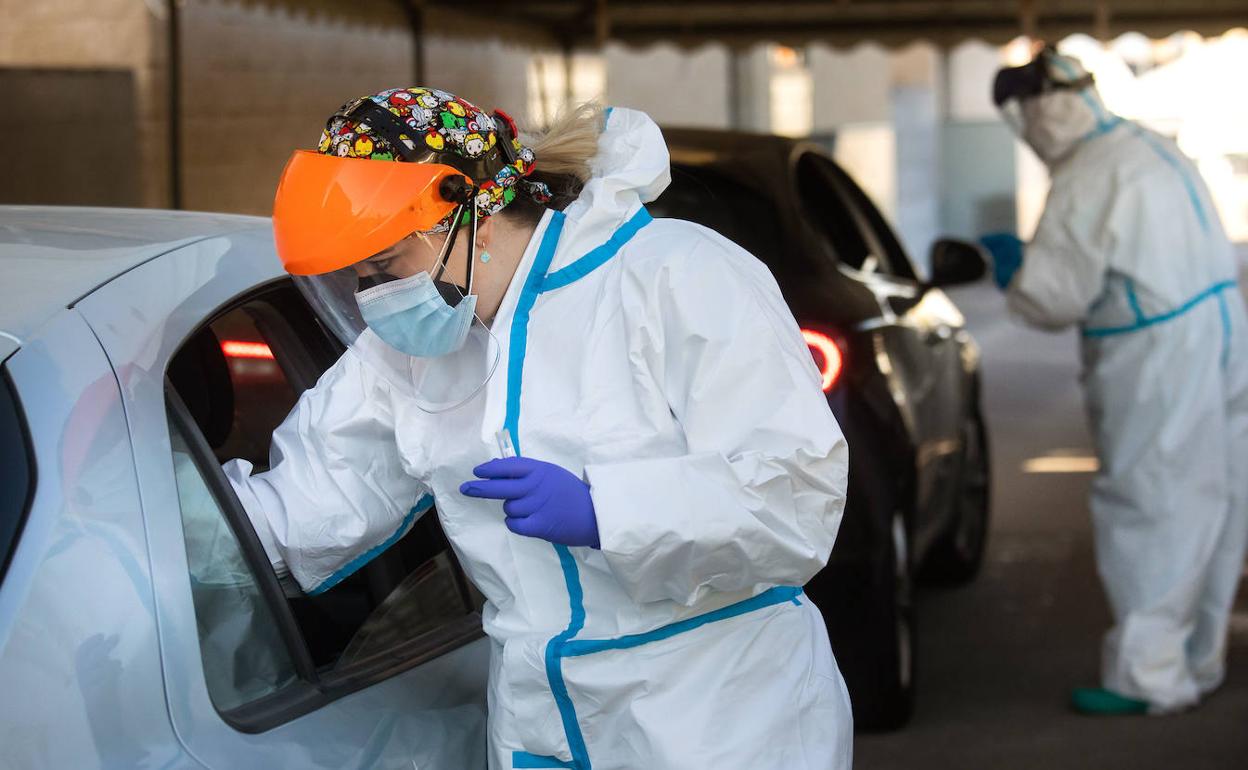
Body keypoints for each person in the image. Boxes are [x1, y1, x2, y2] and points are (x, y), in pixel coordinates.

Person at [226, 86, 853, 768]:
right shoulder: (410, 357)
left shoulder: (673, 273)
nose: (375, 298)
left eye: (384, 268)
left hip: (718, 715)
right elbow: (306, 508)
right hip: (543, 724)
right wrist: (173, 530)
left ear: (472, 215)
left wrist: (605, 511)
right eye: (359, 279)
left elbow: (797, 498)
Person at [983, 47, 1248, 715]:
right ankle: (1197, 658)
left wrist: (1016, 271)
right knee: (1215, 494)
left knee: (1152, 502)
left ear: (1034, 114)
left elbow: (1054, 299)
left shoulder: (1087, 178)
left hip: (1156, 353)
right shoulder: (1148, 148)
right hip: (1220, 328)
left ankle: (1149, 677)